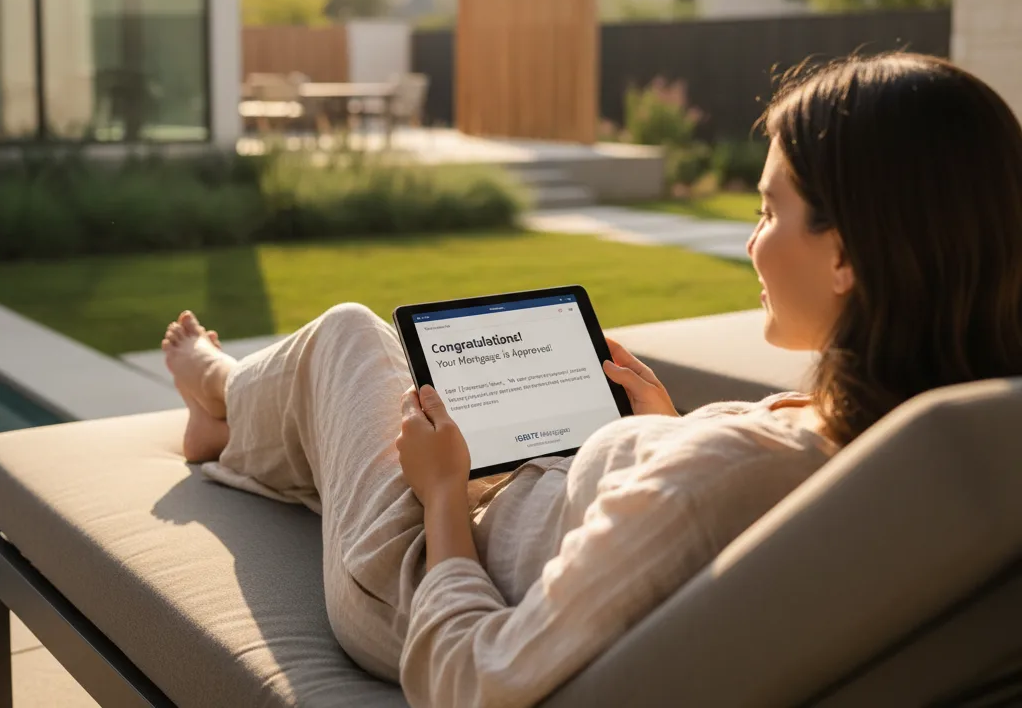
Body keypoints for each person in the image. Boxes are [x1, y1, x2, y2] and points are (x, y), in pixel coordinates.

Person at [162, 52, 1022, 708]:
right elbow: (708, 515)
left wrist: (444, 497)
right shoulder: (935, 425)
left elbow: (472, 678)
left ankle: (218, 392)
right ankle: (241, 423)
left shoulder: (714, 478)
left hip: (418, 578)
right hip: (528, 498)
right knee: (403, 387)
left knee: (350, 337)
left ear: (844, 256)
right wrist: (663, 430)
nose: (751, 241)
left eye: (768, 211)